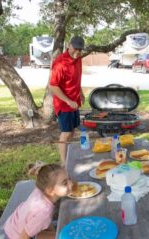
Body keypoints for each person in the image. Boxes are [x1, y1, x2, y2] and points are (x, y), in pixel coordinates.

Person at [3, 163, 74, 239]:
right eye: (65, 183)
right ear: (50, 190)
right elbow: (25, 235)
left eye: (69, 179)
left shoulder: (41, 190)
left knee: (51, 231)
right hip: (17, 237)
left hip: (14, 223)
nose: (71, 184)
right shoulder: (44, 212)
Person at [49, 36, 85, 166]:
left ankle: (69, 158)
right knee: (66, 133)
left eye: (80, 50)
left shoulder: (78, 59)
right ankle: (64, 164)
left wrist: (80, 92)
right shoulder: (60, 64)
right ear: (69, 45)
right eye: (75, 49)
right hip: (64, 104)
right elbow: (53, 86)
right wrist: (68, 100)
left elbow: (75, 78)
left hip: (74, 101)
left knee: (73, 131)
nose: (77, 53)